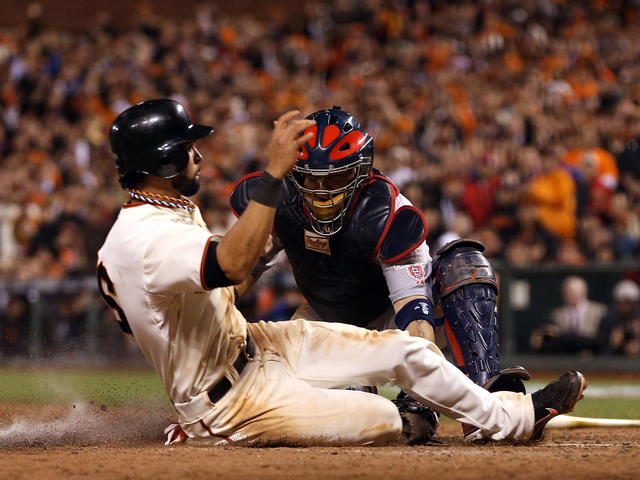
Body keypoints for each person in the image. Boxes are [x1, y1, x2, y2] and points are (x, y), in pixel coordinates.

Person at [98, 98, 585, 447]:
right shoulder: (146, 237)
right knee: (383, 420)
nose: (198, 154)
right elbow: (233, 265)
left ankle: (513, 417)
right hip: (225, 399)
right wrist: (273, 176)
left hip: (255, 343)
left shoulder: (166, 211)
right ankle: (199, 432)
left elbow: (228, 285)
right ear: (163, 160)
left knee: (406, 348)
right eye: (187, 147)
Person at [230, 106, 530, 439]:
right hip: (326, 323)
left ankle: (486, 396)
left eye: (337, 177)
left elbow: (415, 317)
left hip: (393, 321)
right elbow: (235, 277)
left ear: (361, 172)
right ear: (292, 173)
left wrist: (421, 390)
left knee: (465, 264)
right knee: (347, 422)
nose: (323, 191)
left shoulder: (389, 214)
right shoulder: (274, 200)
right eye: (311, 178)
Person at [530, 276, 607, 355]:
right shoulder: (556, 315)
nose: (569, 294)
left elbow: (601, 340)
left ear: (583, 292)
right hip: (565, 359)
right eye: (566, 291)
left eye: (573, 291)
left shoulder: (599, 311)